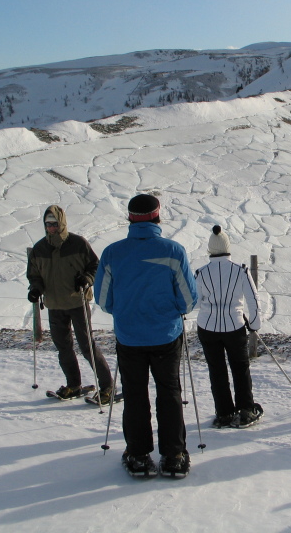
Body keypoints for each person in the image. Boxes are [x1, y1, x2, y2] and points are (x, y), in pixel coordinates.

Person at [93, 194, 198, 478]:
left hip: (130, 338)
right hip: (165, 335)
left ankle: (138, 455)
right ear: (157, 217)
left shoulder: (112, 253)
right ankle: (174, 455)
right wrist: (172, 311)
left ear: (130, 218)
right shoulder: (173, 251)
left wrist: (124, 312)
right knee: (169, 392)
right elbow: (188, 300)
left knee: (135, 394)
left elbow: (103, 300)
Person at [27, 205, 113, 401]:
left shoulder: (78, 244)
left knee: (87, 346)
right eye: (48, 224)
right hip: (54, 305)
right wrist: (36, 289)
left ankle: (107, 385)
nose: (51, 228)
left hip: (77, 302)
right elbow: (34, 275)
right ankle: (73, 385)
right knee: (63, 348)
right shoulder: (39, 249)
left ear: (62, 223)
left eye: (54, 224)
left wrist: (87, 279)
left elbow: (95, 266)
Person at [195, 225, 263, 428]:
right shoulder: (240, 270)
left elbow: (195, 302)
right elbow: (253, 299)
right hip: (234, 326)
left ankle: (224, 413)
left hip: (207, 327)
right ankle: (245, 410)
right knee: (240, 368)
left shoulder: (201, 273)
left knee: (216, 370)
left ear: (210, 248)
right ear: (227, 246)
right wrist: (254, 324)